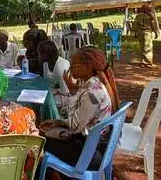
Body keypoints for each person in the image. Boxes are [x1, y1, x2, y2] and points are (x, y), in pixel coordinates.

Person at [39, 46, 119, 178]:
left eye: (73, 65)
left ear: (87, 67)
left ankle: (64, 176)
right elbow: (83, 119)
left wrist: (73, 93)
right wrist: (59, 122)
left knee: (42, 142)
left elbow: (75, 127)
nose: (70, 68)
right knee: (49, 133)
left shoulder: (91, 93)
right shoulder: (94, 84)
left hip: (89, 154)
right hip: (95, 146)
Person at [37, 40, 70, 116]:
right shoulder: (46, 63)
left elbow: (65, 91)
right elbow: (47, 80)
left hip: (65, 97)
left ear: (47, 54)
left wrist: (53, 89)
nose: (38, 56)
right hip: (54, 92)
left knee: (43, 103)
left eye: (40, 54)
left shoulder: (60, 68)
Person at [135, 3, 159, 68]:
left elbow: (135, 26)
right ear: (147, 9)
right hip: (147, 33)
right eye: (150, 9)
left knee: (142, 47)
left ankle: (143, 62)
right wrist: (156, 32)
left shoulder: (137, 16)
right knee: (148, 48)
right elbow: (152, 25)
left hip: (140, 33)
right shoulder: (150, 16)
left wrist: (136, 33)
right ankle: (148, 63)